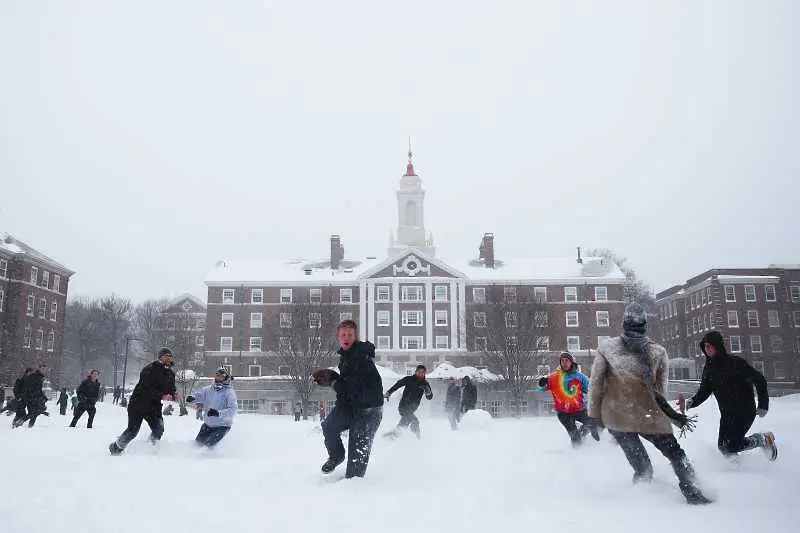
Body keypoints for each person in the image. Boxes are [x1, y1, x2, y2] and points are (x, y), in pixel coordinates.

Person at [588, 303, 711, 505]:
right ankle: (691, 489)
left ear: (624, 324)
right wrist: (671, 416)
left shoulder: (608, 348)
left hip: (619, 418)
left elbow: (595, 385)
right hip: (646, 415)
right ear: (645, 324)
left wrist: (594, 416)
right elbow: (660, 392)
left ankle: (641, 505)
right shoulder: (657, 352)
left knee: (644, 468)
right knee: (676, 454)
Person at [685, 330, 776, 460]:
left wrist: (763, 405)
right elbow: (704, 391)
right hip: (727, 414)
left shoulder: (735, 363)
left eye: (710, 345)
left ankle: (763, 439)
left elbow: (759, 380)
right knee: (723, 447)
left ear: (717, 346)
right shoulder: (709, 369)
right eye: (705, 346)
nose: (707, 349)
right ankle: (736, 472)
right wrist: (693, 401)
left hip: (744, 411)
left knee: (733, 445)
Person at [312, 320, 383, 478]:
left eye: (350, 335)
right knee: (329, 426)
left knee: (355, 471)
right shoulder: (345, 357)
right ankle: (336, 456)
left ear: (355, 336)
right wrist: (335, 380)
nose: (346, 337)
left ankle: (353, 490)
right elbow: (346, 389)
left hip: (369, 412)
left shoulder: (360, 357)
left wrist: (334, 381)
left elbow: (353, 387)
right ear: (338, 337)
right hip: (351, 405)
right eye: (343, 334)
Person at [108, 348, 177, 455]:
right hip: (138, 404)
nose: (168, 358)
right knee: (132, 431)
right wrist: (162, 395)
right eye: (166, 356)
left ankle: (148, 449)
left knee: (159, 429)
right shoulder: (149, 369)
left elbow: (170, 389)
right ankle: (116, 447)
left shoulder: (171, 374)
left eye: (170, 356)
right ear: (160, 357)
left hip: (153, 407)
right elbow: (146, 389)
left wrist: (173, 394)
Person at [538, 352, 599, 446]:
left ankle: (582, 434)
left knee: (593, 422)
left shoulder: (580, 376)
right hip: (564, 413)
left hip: (579, 410)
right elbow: (539, 390)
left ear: (571, 362)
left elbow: (591, 391)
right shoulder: (554, 377)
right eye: (562, 361)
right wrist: (542, 383)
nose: (564, 363)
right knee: (575, 436)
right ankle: (576, 453)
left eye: (567, 360)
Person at [186, 368, 237, 447]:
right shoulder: (208, 389)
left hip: (222, 426)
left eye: (221, 376)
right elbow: (199, 395)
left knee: (207, 447)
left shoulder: (229, 392)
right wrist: (192, 398)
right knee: (196, 446)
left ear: (226, 378)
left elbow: (233, 409)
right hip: (208, 425)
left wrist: (218, 413)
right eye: (217, 376)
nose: (219, 378)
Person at [383, 365, 434, 439]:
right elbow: (397, 385)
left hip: (412, 409)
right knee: (413, 420)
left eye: (422, 372)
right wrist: (389, 393)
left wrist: (428, 392)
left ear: (425, 373)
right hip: (403, 407)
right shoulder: (409, 379)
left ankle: (392, 436)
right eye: (419, 372)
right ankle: (416, 439)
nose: (420, 374)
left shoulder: (425, 384)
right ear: (415, 372)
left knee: (408, 423)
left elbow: (429, 397)